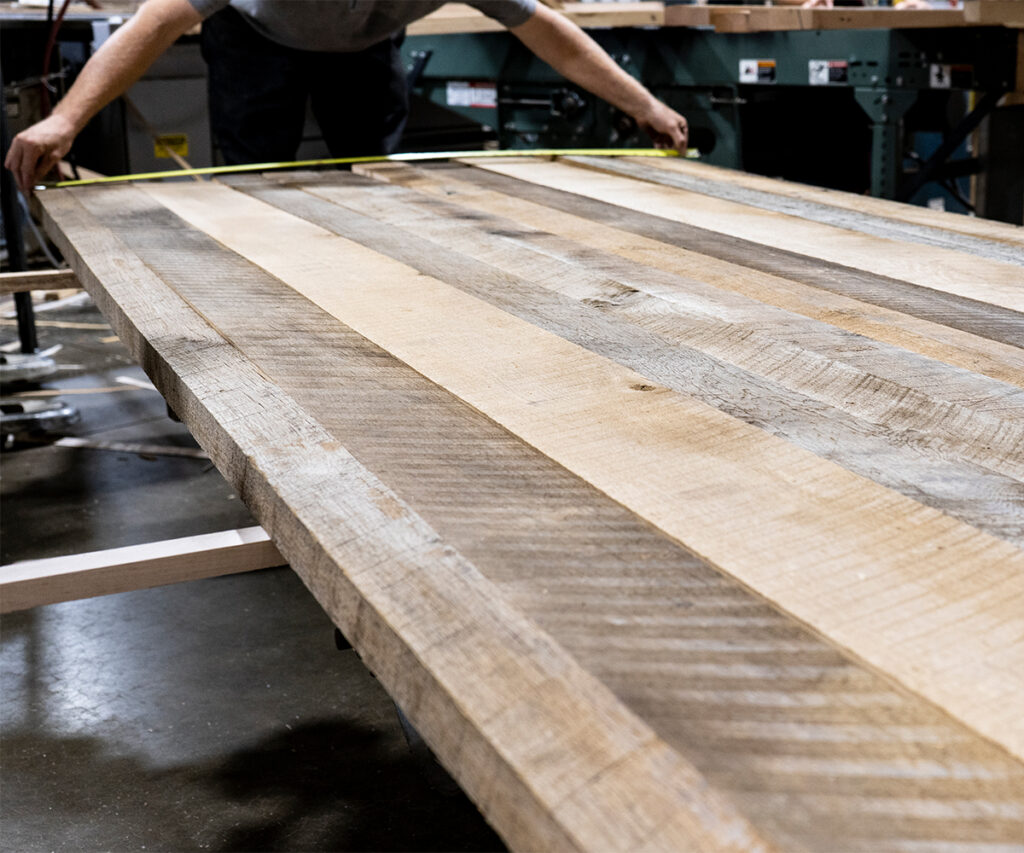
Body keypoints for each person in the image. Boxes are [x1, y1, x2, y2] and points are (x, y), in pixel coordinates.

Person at [5, 0, 688, 195]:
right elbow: (157, 21)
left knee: (378, 183)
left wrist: (645, 106)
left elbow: (549, 33)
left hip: (365, 50)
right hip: (257, 39)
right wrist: (65, 120)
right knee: (256, 185)